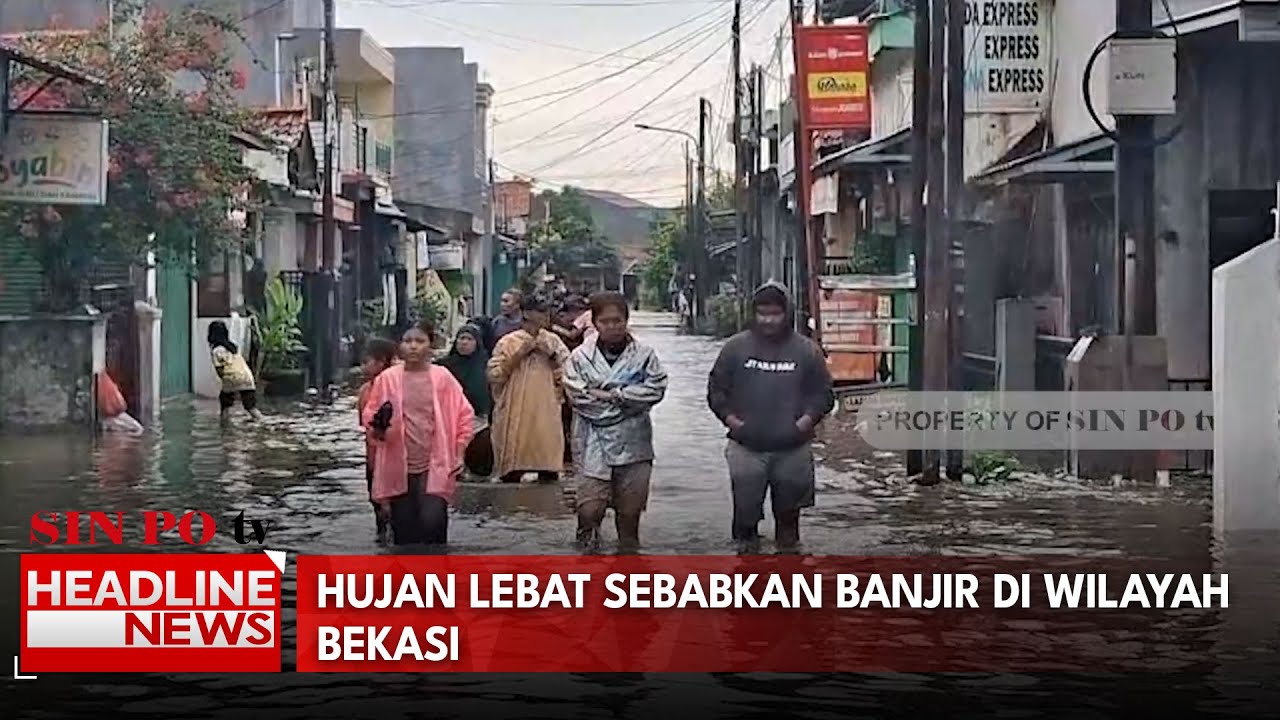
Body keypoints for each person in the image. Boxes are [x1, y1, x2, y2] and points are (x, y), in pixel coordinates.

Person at [706, 282, 835, 551]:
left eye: (775, 313)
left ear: (786, 313)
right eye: (762, 313)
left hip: (793, 449)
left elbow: (823, 395)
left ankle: (787, 582)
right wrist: (732, 421)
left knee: (789, 524)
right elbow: (716, 391)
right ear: (753, 313)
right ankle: (746, 579)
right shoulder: (734, 348)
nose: (768, 320)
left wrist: (805, 421)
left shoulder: (807, 351)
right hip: (746, 448)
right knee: (744, 522)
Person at [563, 292, 668, 551]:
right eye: (606, 322)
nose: (612, 327)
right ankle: (586, 572)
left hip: (634, 444)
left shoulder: (644, 355)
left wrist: (614, 395)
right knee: (590, 511)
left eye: (618, 321)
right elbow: (580, 398)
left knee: (629, 518)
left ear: (626, 321)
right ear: (595, 323)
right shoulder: (579, 357)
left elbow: (656, 390)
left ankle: (629, 574)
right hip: (591, 441)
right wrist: (628, 404)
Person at [363, 320, 475, 546]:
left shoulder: (443, 378)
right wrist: (378, 426)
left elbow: (464, 416)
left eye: (419, 341)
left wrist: (459, 452)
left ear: (430, 347)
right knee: (403, 530)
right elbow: (370, 416)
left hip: (435, 461)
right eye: (408, 341)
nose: (413, 346)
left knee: (432, 524)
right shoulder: (388, 379)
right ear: (400, 347)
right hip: (398, 463)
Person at [487, 292, 571, 484]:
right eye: (540, 311)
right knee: (512, 471)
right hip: (515, 406)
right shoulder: (508, 341)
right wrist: (518, 355)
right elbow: (494, 374)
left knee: (548, 471)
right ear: (527, 314)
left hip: (546, 406)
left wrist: (551, 357)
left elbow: (569, 370)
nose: (546, 316)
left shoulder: (552, 341)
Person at [436, 324, 495, 478]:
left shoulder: (485, 364)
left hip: (477, 417)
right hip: (449, 415)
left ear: (477, 343)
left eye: (469, 339)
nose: (464, 342)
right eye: (461, 338)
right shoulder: (444, 365)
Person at [358, 337, 399, 541]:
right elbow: (363, 424)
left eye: (367, 362)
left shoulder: (397, 387)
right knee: (376, 503)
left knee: (394, 505)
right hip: (372, 457)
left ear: (382, 361)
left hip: (393, 458)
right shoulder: (364, 391)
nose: (362, 367)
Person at [207, 320, 262, 421]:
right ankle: (262, 421)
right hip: (247, 376)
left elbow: (220, 370)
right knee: (251, 407)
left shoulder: (216, 351)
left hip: (231, 377)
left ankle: (224, 426)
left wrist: (225, 383)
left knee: (225, 405)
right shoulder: (232, 347)